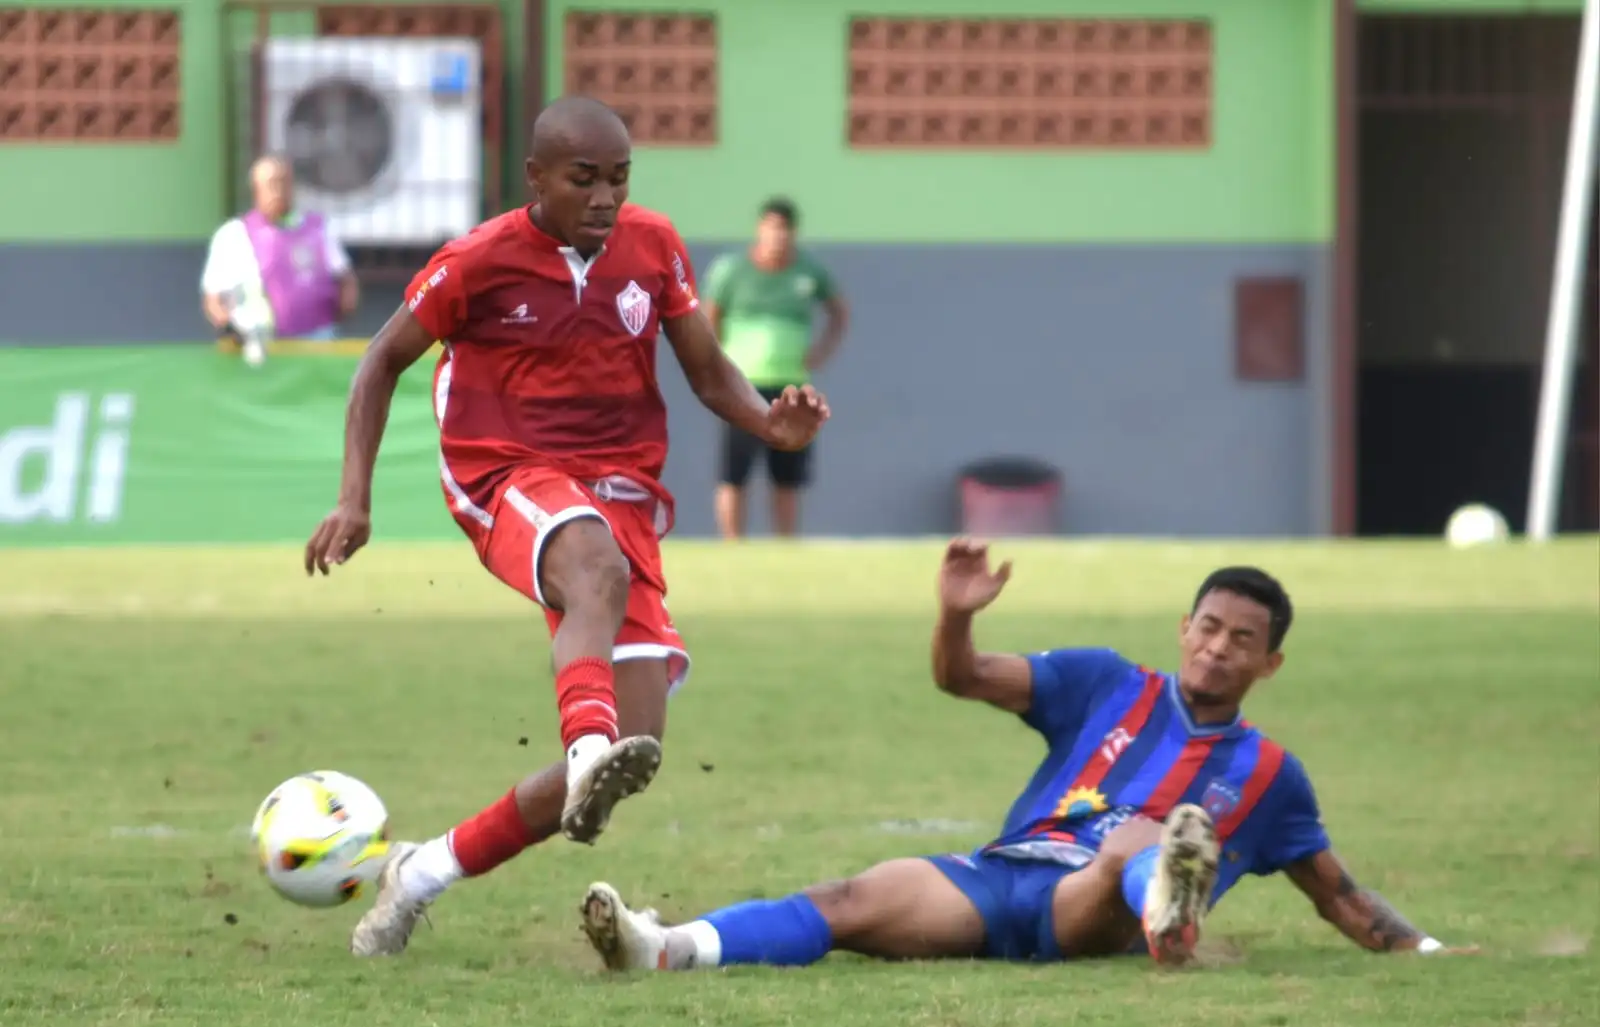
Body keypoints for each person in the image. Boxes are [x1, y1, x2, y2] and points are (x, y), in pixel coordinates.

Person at [302, 96, 830, 959]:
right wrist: (354, 499)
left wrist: (769, 423)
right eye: (584, 179)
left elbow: (706, 369)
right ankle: (586, 749)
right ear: (536, 178)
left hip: (622, 491)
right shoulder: (476, 260)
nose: (604, 197)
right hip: (502, 469)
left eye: (619, 178)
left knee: (637, 741)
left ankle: (422, 872)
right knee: (595, 588)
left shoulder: (653, 246)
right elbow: (379, 363)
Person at [579, 540, 1476, 972]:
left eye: (1242, 640)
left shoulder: (1272, 776)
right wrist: (956, 613)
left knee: (1139, 840)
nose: (1217, 648)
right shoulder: (1104, 681)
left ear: (1269, 664)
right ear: (1184, 627)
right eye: (1208, 627)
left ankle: (1165, 908)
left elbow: (1341, 897)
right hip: (1001, 877)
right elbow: (960, 676)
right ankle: (667, 948)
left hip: (1088, 907)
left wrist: (1430, 952)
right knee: (845, 900)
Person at [703, 198, 848, 539]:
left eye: (785, 230)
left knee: (787, 476)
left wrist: (821, 352)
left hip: (790, 386)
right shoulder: (732, 270)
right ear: (760, 229)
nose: (778, 236)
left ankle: (784, 544)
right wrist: (718, 363)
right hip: (743, 387)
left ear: (793, 233)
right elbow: (709, 316)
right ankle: (732, 545)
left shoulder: (808, 271)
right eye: (772, 228)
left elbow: (838, 311)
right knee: (734, 473)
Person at [200, 155, 360, 361]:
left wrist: (342, 311)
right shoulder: (233, 235)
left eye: (284, 182)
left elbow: (345, 279)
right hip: (261, 350)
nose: (279, 190)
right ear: (256, 189)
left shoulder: (318, 228)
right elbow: (213, 299)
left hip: (317, 345)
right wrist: (232, 331)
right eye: (271, 183)